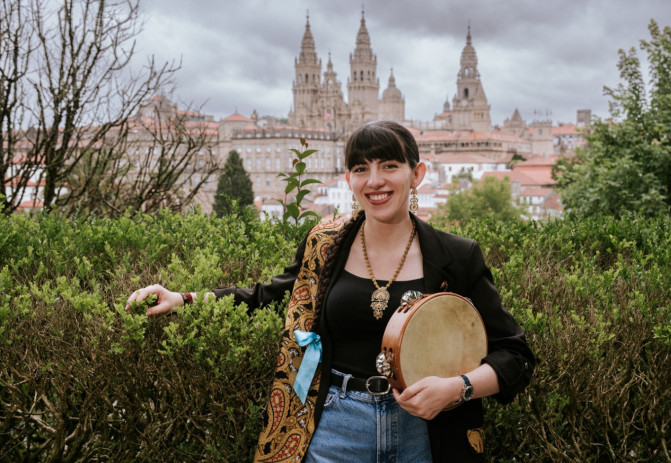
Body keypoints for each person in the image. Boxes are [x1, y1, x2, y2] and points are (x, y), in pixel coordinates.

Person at [126, 120, 535, 463]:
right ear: (349, 180)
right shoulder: (325, 243)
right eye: (361, 169)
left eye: (389, 165)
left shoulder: (457, 255)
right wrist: (186, 300)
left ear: (418, 174)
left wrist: (455, 388)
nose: (374, 181)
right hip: (335, 425)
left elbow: (515, 355)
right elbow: (269, 296)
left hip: (427, 433)